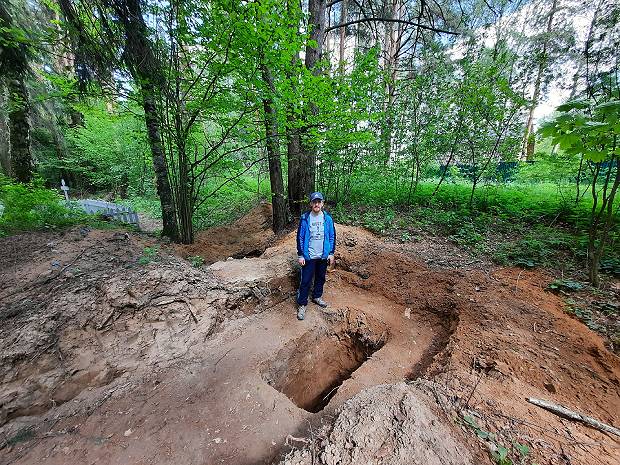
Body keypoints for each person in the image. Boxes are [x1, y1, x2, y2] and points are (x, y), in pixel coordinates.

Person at [296, 192, 336, 320]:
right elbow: (300, 237)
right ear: (311, 204)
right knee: (305, 281)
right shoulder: (305, 218)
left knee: (320, 278)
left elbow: (331, 236)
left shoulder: (327, 219)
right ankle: (302, 304)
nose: (316, 204)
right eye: (314, 202)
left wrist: (331, 253)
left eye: (319, 202)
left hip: (323, 256)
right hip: (309, 256)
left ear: (322, 203)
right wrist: (301, 255)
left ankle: (317, 297)